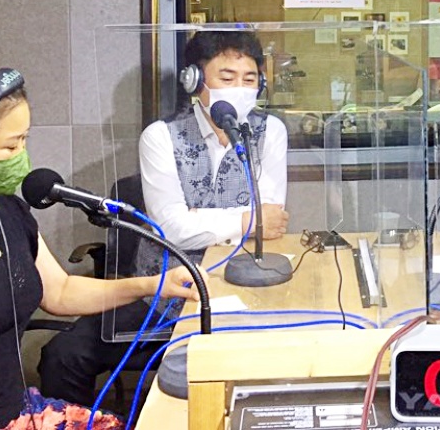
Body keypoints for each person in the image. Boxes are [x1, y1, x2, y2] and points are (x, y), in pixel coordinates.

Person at [0, 32, 203, 429]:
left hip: (13, 411)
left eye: (24, 141)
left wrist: (154, 284)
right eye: (10, 147)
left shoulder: (3, 207)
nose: (22, 158)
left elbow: (59, 291)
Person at [38, 30, 289, 406]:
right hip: (161, 295)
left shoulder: (270, 132)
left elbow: (270, 219)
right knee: (63, 356)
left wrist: (202, 218)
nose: (240, 88)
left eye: (249, 79)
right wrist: (243, 221)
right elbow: (173, 229)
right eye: (227, 77)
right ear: (195, 80)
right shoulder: (160, 137)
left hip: (241, 289)